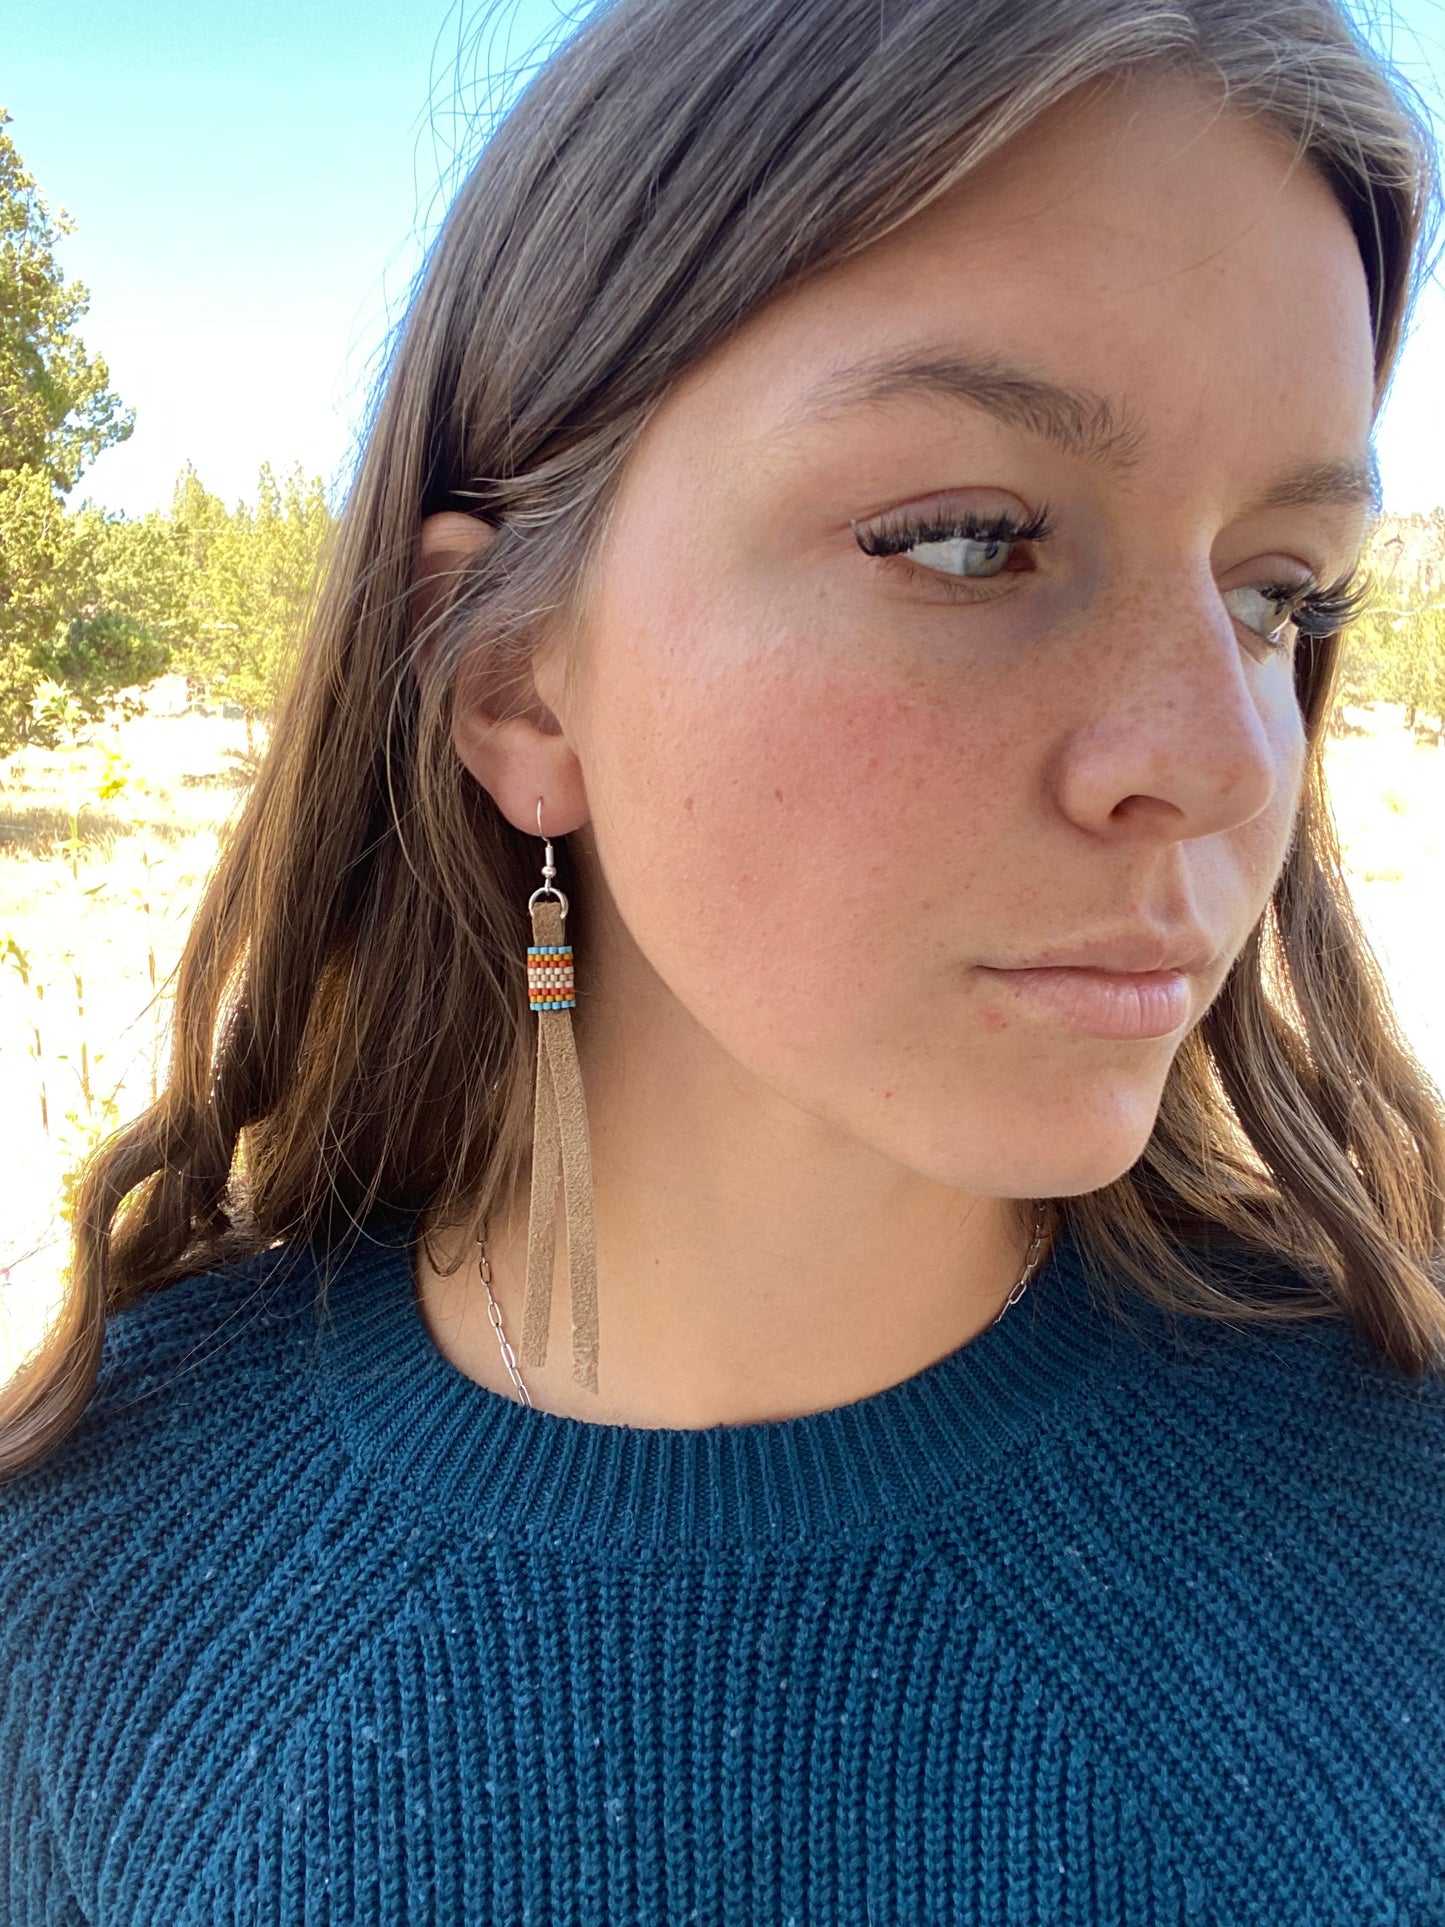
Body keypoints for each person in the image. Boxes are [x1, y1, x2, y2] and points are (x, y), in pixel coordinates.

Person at [4, 0, 1445, 1918]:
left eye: (1277, 592)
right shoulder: (91, 1580)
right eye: (963, 543)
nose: (1210, 755)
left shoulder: (1399, 1519)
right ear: (512, 673)